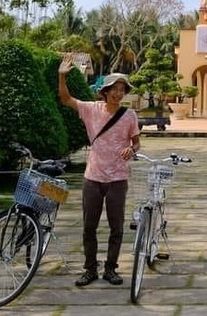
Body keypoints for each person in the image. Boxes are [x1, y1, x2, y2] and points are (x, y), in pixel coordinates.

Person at [59, 55, 141, 287]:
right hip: (93, 177)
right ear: (104, 91)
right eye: (114, 88)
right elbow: (65, 99)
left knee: (117, 226)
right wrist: (62, 76)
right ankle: (90, 269)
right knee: (89, 226)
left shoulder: (129, 116)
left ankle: (111, 269)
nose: (118, 93)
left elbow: (136, 143)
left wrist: (131, 150)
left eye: (122, 89)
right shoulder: (91, 109)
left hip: (118, 178)